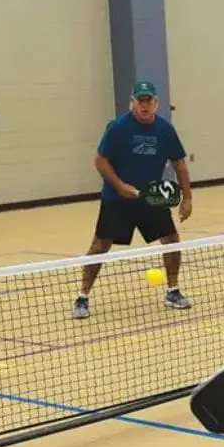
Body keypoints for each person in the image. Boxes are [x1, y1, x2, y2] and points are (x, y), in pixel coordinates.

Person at [74, 80, 194, 318]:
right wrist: (119, 186)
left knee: (171, 239)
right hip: (117, 199)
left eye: (148, 100)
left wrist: (187, 197)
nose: (144, 105)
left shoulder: (165, 130)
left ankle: (173, 290)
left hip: (151, 196)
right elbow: (100, 160)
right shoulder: (118, 128)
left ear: (156, 103)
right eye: (140, 101)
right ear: (133, 102)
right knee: (100, 245)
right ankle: (82, 297)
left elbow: (179, 164)